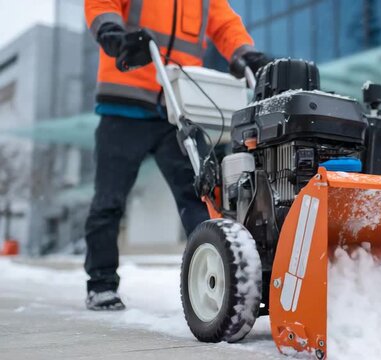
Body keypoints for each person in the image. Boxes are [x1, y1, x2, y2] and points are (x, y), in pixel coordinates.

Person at [83, 0, 269, 311]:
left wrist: (244, 53)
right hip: (125, 104)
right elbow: (102, 4)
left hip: (176, 108)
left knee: (199, 197)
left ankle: (215, 272)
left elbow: (224, 25)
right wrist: (111, 33)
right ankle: (101, 284)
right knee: (109, 200)